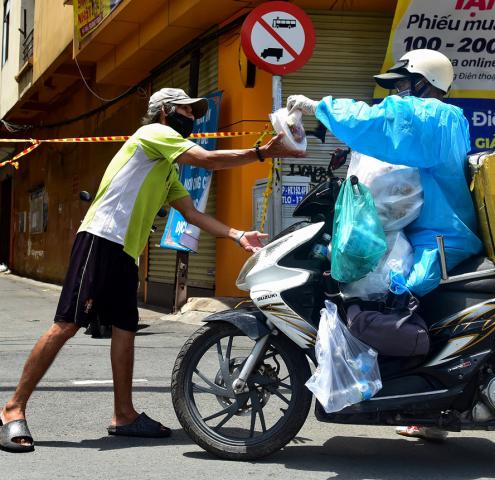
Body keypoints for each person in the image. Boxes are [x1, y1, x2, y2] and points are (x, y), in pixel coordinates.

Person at [0, 87, 301, 453]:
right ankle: (12, 407)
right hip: (101, 238)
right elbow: (206, 160)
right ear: (165, 112)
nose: (192, 118)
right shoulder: (152, 134)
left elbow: (192, 214)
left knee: (125, 329)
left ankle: (123, 415)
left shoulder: (167, 169)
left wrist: (238, 235)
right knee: (68, 323)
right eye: (187, 111)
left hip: (126, 252)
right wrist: (260, 153)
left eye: (194, 112)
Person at [287, 49, 483, 442]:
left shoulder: (432, 116)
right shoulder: (438, 120)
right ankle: (425, 407)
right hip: (427, 230)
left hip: (443, 238)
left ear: (425, 83)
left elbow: (376, 122)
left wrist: (319, 106)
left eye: (402, 84)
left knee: (392, 294)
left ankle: (415, 394)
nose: (398, 92)